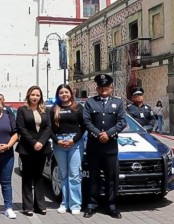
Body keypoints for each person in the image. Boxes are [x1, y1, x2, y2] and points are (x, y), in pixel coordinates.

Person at [83, 74, 126, 219]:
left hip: (110, 147)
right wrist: (98, 134)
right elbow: (86, 121)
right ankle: (91, 205)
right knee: (93, 177)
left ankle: (111, 206)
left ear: (111, 88)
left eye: (106, 87)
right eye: (101, 87)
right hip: (94, 147)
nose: (104, 89)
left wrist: (108, 134)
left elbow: (122, 122)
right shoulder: (90, 102)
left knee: (111, 178)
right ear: (97, 88)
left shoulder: (118, 103)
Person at [49, 84, 85, 215]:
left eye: (66, 92)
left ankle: (75, 204)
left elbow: (84, 127)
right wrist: (57, 141)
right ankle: (64, 203)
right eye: (61, 92)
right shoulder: (54, 109)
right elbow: (49, 129)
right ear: (58, 95)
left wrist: (73, 140)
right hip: (59, 143)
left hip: (74, 143)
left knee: (74, 175)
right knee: (63, 174)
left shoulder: (78, 108)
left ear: (71, 93)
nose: (64, 94)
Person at [16, 85, 52, 216]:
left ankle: (40, 205)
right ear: (28, 96)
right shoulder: (22, 110)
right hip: (27, 148)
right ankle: (28, 206)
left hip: (42, 148)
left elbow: (49, 127)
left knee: (38, 177)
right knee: (27, 177)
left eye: (37, 95)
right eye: (33, 95)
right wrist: (33, 143)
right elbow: (21, 128)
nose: (35, 97)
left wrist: (41, 142)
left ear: (40, 97)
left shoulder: (45, 110)